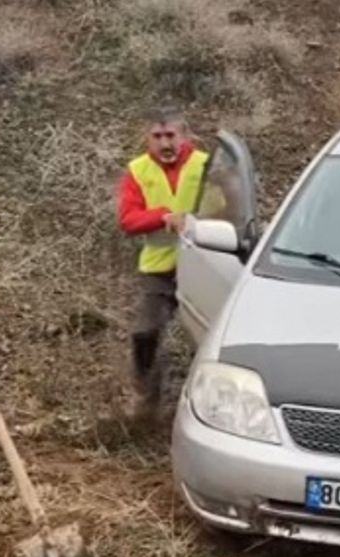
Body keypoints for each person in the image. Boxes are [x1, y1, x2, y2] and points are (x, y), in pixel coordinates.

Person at [117, 108, 215, 417]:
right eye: (157, 137)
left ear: (184, 136)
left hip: (205, 263)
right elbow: (128, 219)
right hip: (159, 268)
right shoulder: (138, 170)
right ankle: (145, 399)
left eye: (170, 135)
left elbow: (229, 204)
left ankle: (212, 405)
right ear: (147, 138)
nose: (164, 143)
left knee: (213, 339)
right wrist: (163, 216)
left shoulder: (206, 165)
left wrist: (200, 221)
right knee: (144, 333)